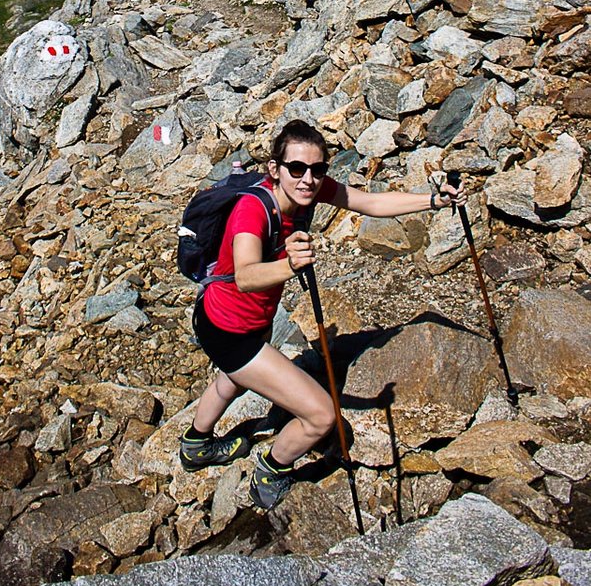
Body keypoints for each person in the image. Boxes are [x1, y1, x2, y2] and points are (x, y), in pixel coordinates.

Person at [179, 118, 466, 509]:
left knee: (233, 381)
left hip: (237, 319)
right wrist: (289, 266)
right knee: (321, 416)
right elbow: (246, 276)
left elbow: (371, 203)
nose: (308, 179)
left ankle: (196, 445)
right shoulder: (252, 211)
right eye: (296, 168)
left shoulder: (306, 191)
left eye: (317, 169)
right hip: (230, 329)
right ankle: (271, 467)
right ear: (274, 170)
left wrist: (433, 201)